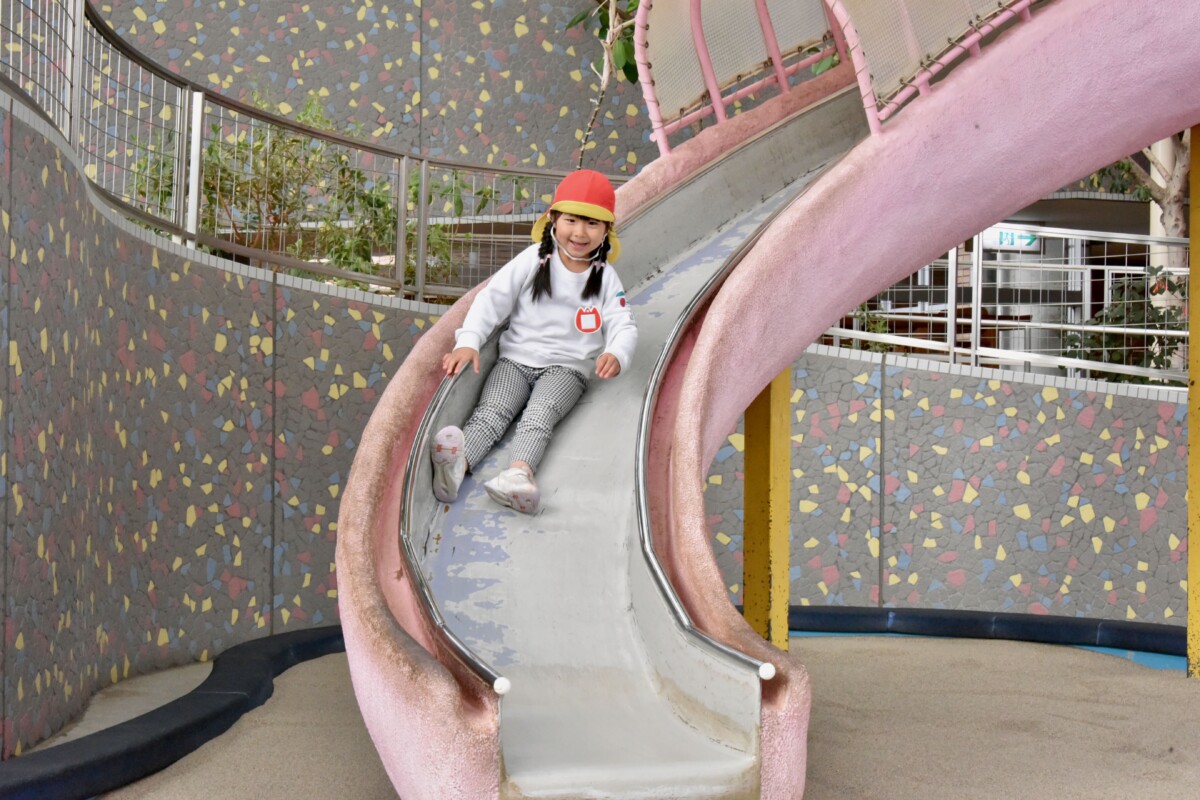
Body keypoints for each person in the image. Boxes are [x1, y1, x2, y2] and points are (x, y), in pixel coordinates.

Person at [430, 169, 638, 514]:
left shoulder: (604, 277)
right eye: (571, 220)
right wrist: (468, 340)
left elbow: (623, 322)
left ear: (606, 231)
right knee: (491, 412)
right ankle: (455, 468)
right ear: (553, 219)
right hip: (515, 360)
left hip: (566, 369)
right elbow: (492, 299)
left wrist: (617, 351)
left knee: (539, 415)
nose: (580, 232)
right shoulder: (533, 259)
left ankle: (517, 475)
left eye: (592, 224)